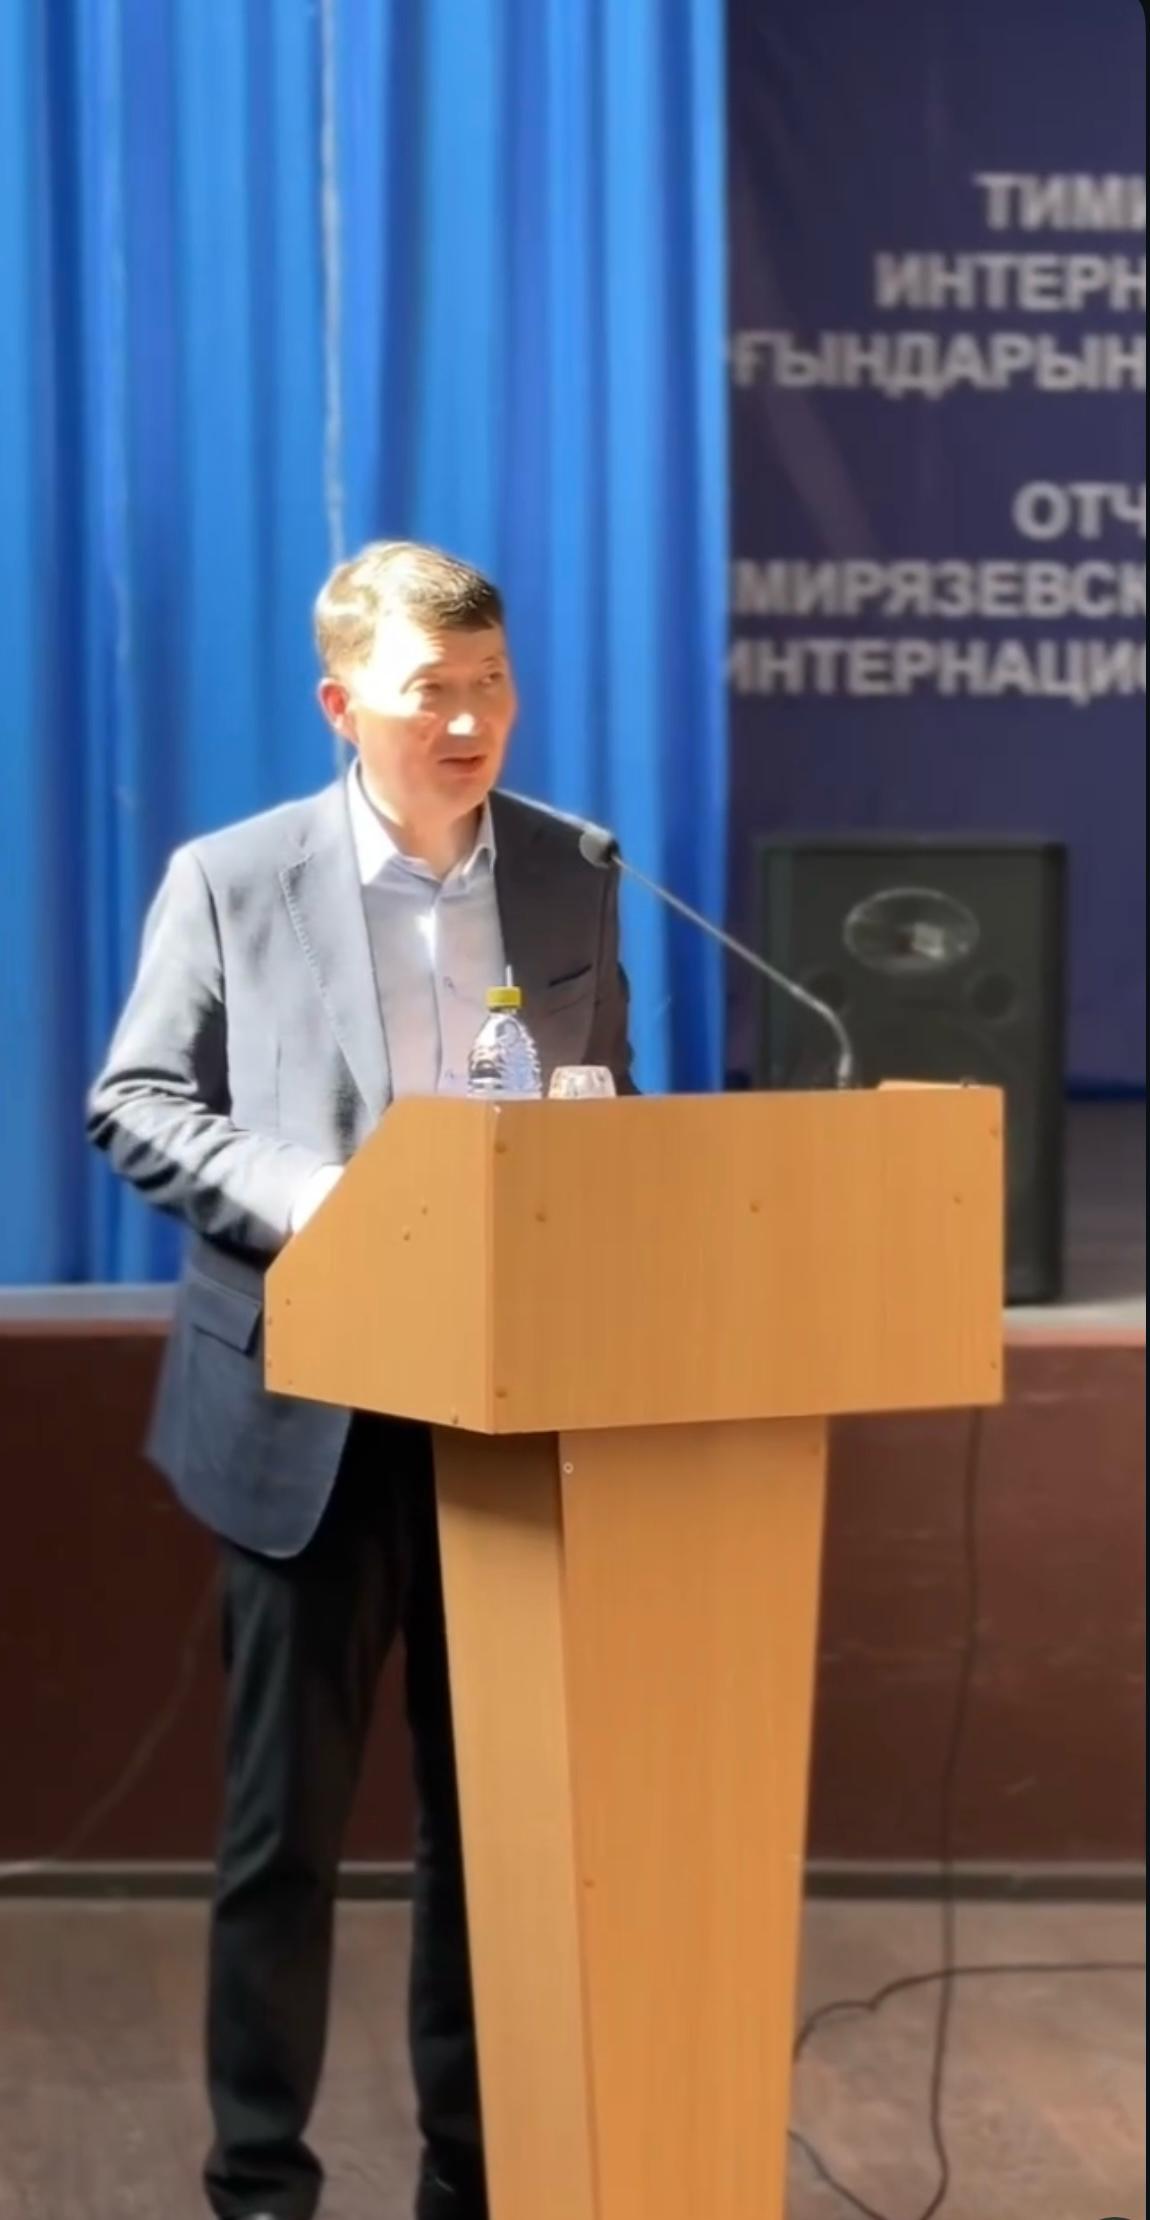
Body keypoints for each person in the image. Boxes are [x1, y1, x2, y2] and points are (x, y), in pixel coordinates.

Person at [87, 539, 635, 2220]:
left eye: (492, 686)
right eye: (430, 694)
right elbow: (136, 1103)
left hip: (509, 1407)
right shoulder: (235, 876)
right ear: (343, 705)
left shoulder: (574, 869)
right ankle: (261, 2183)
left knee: (491, 1840)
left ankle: (473, 2180)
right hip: (308, 1405)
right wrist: (325, 1197)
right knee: (286, 1837)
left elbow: (604, 1099)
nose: (469, 723)